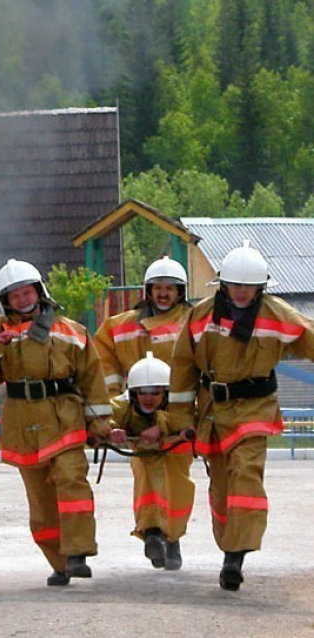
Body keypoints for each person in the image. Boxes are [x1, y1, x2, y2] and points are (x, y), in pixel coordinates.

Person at [169, 240, 314, 591]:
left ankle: (237, 554)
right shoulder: (201, 316)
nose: (242, 292)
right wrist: (180, 420)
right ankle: (229, 546)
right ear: (223, 284)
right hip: (212, 412)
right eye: (236, 285)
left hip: (255, 410)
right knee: (222, 489)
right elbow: (183, 366)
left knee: (246, 475)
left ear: (261, 287)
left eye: (249, 287)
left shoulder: (278, 315)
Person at [0, 258, 112, 587]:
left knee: (72, 479)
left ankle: (78, 554)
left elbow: (92, 379)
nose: (22, 300)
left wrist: (100, 424)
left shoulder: (71, 331)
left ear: (38, 291)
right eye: (14, 296)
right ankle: (59, 563)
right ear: (5, 302)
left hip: (64, 416)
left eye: (26, 292)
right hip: (22, 422)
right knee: (41, 500)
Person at [108, 352, 195, 571]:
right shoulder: (123, 406)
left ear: (165, 392)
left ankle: (172, 540)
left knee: (176, 493)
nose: (148, 398)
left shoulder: (179, 406)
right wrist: (110, 430)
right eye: (142, 392)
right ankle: (152, 534)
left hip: (176, 455)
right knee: (147, 486)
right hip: (144, 456)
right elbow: (106, 416)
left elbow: (192, 418)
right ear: (133, 393)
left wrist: (162, 426)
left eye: (154, 392)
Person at [95, 257, 191, 398]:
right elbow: (105, 365)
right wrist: (114, 399)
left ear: (180, 292)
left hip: (181, 403)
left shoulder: (193, 322)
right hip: (136, 404)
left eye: (169, 288)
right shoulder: (119, 325)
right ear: (149, 291)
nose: (163, 294)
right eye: (158, 287)